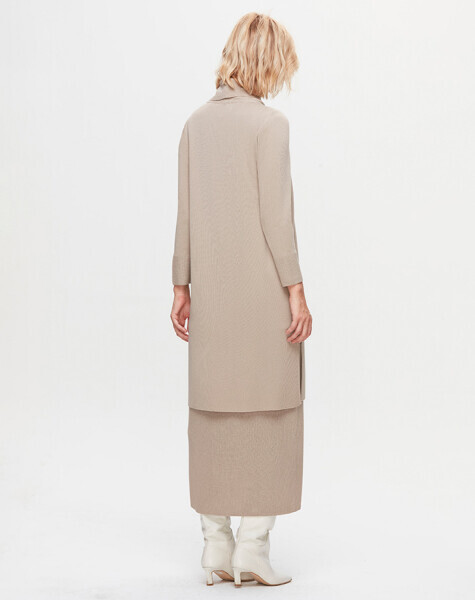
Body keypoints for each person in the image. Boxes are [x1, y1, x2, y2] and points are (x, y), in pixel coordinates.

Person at [170, 12, 312, 587]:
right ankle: (253, 549)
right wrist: (296, 289)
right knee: (271, 414)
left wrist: (180, 285)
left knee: (211, 414)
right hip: (261, 297)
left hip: (211, 296)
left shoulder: (194, 124)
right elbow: (277, 217)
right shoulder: (270, 125)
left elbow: (185, 211)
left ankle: (215, 547)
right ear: (268, 63)